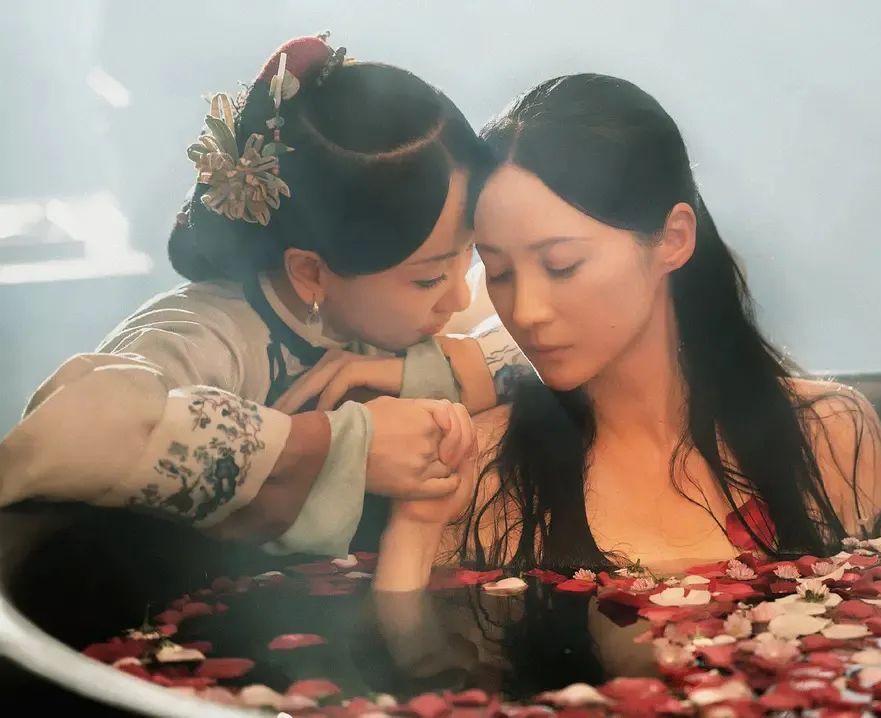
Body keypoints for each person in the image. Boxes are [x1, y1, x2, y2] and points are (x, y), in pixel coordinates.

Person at [0, 34, 533, 558]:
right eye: (429, 279)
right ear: (310, 271)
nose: (458, 297)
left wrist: (410, 372)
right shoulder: (207, 338)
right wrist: (342, 443)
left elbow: (550, 342)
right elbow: (76, 429)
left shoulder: (383, 312)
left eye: (468, 256)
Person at [375, 73, 881, 589]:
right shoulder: (480, 469)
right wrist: (416, 531)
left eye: (562, 265)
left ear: (673, 239)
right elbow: (418, 642)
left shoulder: (833, 434)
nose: (527, 311)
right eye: (500, 272)